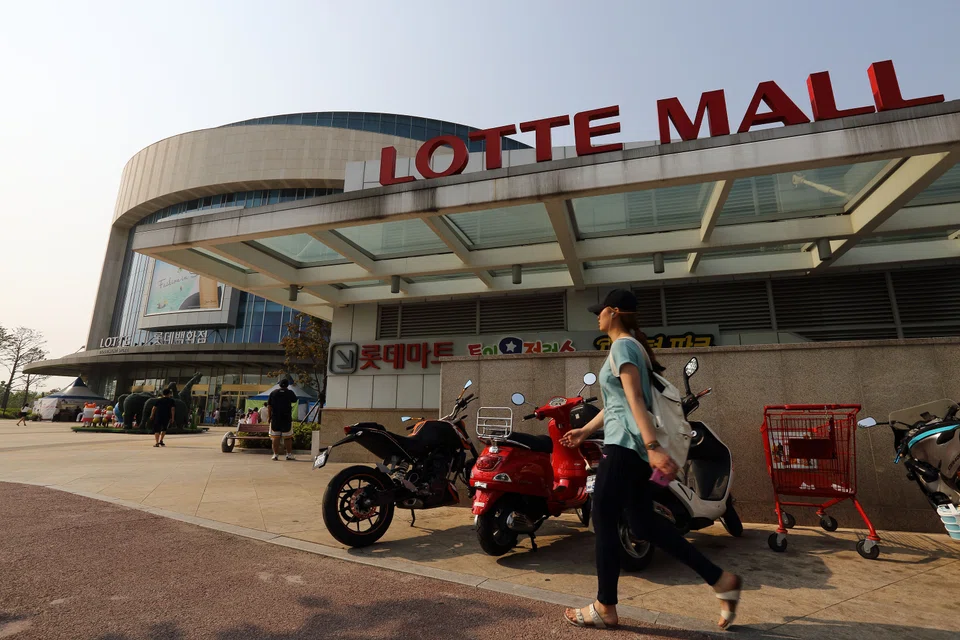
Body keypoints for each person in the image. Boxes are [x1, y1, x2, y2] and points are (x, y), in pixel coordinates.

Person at [561, 289, 742, 630]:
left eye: (600, 311)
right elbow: (617, 404)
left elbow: (635, 400)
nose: (597, 316)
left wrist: (652, 446)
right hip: (632, 449)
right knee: (643, 525)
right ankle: (721, 580)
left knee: (604, 519)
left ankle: (605, 606)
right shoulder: (630, 347)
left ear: (614, 312)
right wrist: (585, 430)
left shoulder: (623, 347)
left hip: (625, 448)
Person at [267, 379, 298, 461]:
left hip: (275, 418)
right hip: (286, 418)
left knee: (275, 437)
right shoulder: (290, 393)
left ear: (279, 385)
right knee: (288, 437)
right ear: (288, 385)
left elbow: (269, 406)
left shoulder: (273, 393)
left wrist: (269, 417)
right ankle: (289, 454)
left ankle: (275, 455)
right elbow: (294, 400)